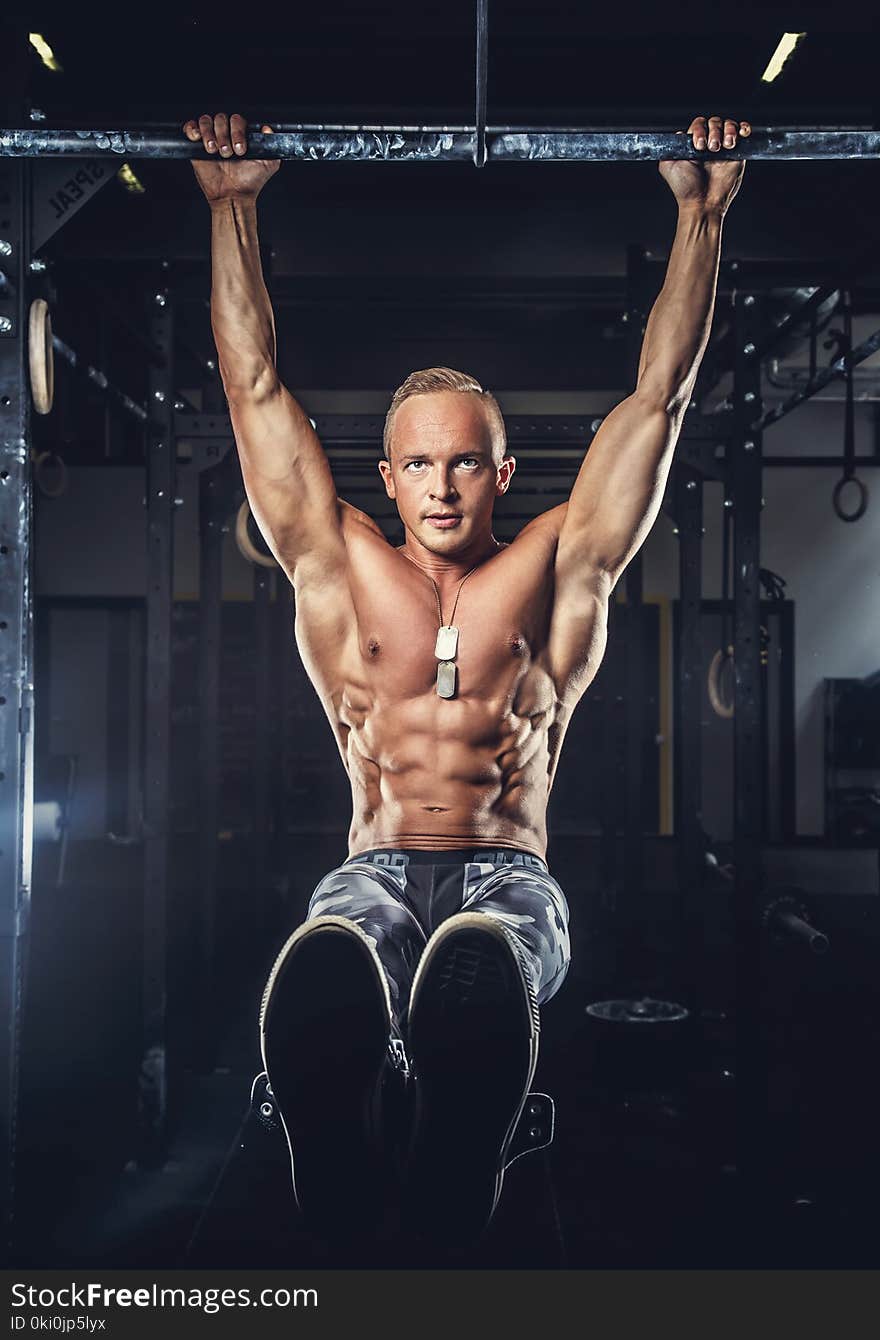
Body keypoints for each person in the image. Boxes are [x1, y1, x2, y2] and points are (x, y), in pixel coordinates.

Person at [185, 110, 749, 1247]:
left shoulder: (557, 562)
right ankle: (334, 1131)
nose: (441, 486)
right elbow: (251, 387)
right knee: (340, 944)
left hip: (508, 869)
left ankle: (463, 1131)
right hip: (375, 859)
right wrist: (230, 203)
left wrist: (701, 214)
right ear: (385, 474)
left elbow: (658, 399)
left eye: (463, 462)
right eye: (418, 463)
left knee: (483, 954)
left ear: (501, 470)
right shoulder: (334, 560)